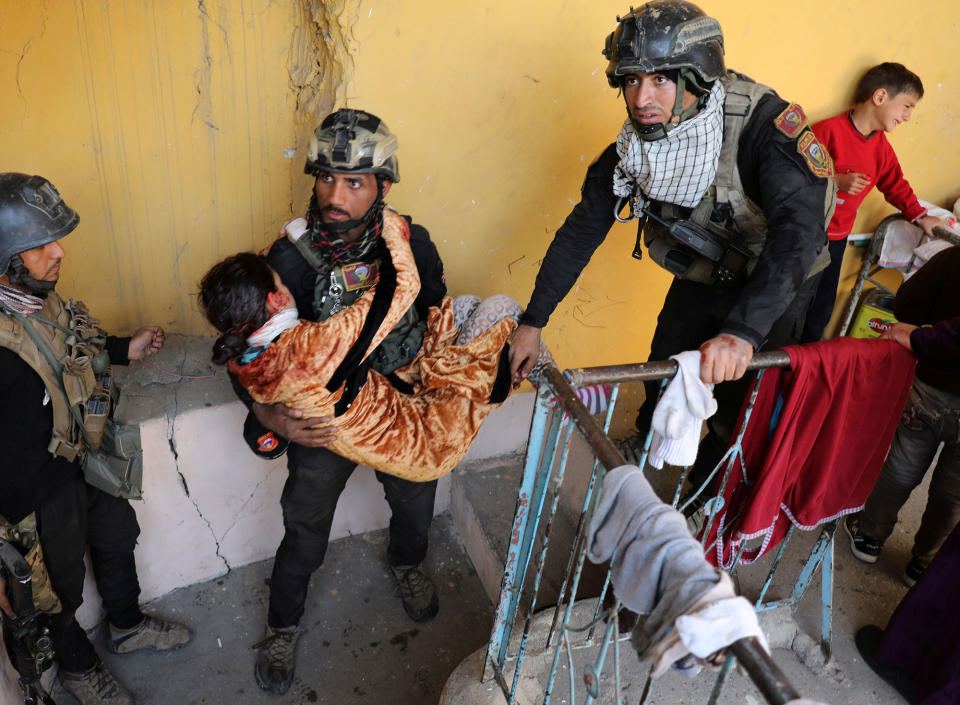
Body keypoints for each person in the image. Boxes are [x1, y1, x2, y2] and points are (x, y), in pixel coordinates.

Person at [509, 0, 834, 496]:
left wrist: (742, 333)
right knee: (663, 365)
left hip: (778, 282)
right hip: (708, 271)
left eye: (661, 80)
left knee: (742, 407)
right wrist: (532, 323)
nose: (642, 98)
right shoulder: (635, 149)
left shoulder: (764, 128)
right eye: (632, 80)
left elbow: (798, 236)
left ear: (697, 78)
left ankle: (707, 493)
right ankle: (651, 447)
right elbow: (581, 230)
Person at [232, 108, 450, 695]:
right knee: (303, 528)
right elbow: (250, 354)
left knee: (415, 505)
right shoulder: (286, 262)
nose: (335, 194)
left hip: (397, 413)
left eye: (354, 182)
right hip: (322, 424)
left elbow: (435, 317)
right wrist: (268, 415)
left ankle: (406, 564)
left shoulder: (411, 245)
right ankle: (283, 625)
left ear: (382, 185)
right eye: (326, 178)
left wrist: (434, 391)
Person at [0, 172, 192, 705]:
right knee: (56, 592)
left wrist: (122, 348)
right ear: (5, 259)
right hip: (34, 493)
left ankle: (126, 626)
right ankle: (80, 671)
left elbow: (65, 341)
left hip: (82, 457)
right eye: (40, 246)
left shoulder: (32, 297)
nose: (59, 253)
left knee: (116, 536)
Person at [199, 228, 529, 481]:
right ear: (275, 300)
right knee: (503, 309)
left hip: (393, 397)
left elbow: (434, 300)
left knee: (466, 306)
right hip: (427, 437)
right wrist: (391, 223)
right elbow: (404, 286)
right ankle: (547, 386)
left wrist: (279, 248)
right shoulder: (311, 347)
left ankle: (524, 374)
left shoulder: (247, 353)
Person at [801, 62, 952, 343]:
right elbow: (793, 175)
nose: (908, 116)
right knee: (788, 308)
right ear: (880, 97)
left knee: (819, 314)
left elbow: (895, 184)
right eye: (907, 106)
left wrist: (920, 216)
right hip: (803, 236)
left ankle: (797, 376)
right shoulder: (827, 132)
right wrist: (834, 180)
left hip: (835, 242)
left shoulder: (881, 148)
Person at [844, 244, 960, 587]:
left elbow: (908, 303)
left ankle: (870, 535)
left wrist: (924, 335)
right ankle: (924, 562)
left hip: (931, 386)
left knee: (902, 467)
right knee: (953, 492)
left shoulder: (953, 258)